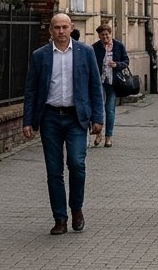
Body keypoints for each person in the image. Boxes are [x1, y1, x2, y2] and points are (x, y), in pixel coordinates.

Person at [23, 13, 104, 235]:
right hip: (50, 117)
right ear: (50, 30)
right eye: (56, 27)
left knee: (77, 163)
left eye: (64, 27)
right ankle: (60, 218)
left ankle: (76, 207)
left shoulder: (85, 52)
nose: (60, 31)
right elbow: (31, 90)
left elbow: (95, 87)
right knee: (54, 170)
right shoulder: (40, 56)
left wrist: (98, 118)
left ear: (71, 28)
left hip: (76, 117)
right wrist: (27, 120)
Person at [93, 24, 129, 148]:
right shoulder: (95, 48)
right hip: (99, 82)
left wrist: (117, 64)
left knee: (110, 110)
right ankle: (98, 133)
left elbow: (126, 61)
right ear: (99, 36)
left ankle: (109, 136)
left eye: (106, 34)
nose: (105, 37)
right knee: (99, 109)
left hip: (113, 83)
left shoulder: (119, 46)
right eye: (102, 35)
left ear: (110, 33)